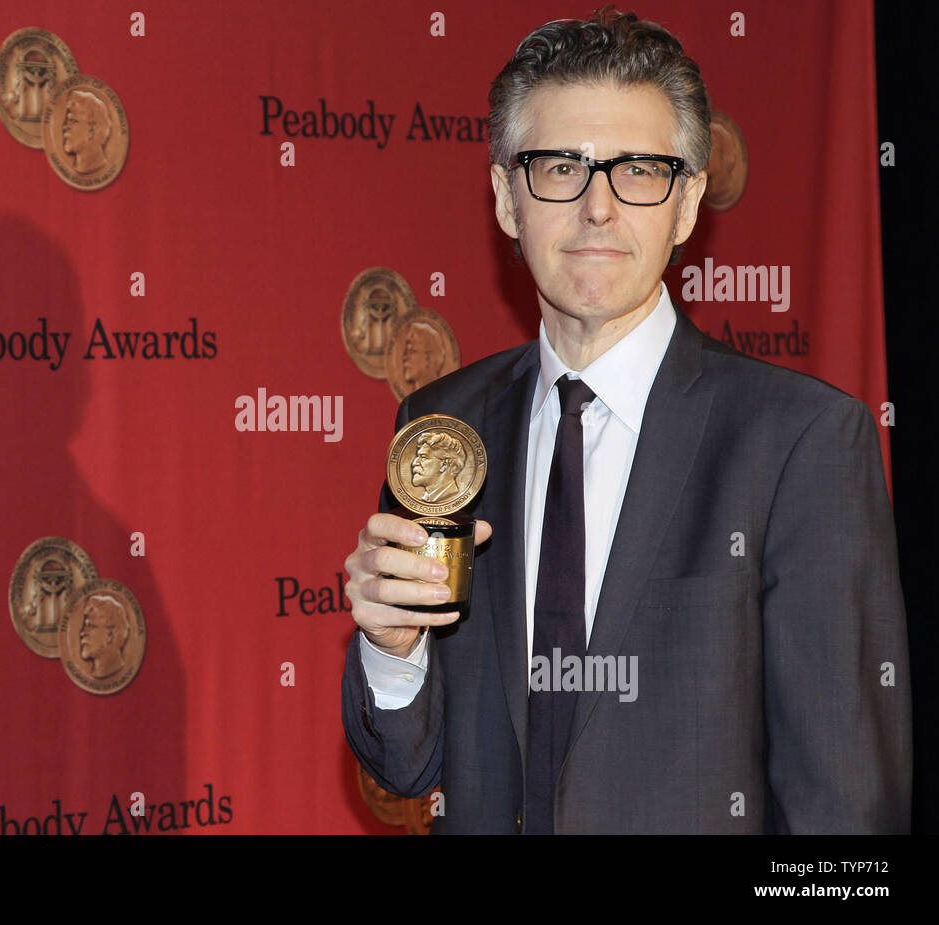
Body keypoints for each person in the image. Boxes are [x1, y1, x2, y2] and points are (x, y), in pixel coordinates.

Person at [341, 9, 910, 834]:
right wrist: (394, 655)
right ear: (507, 199)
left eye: (638, 170)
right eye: (559, 168)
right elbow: (405, 766)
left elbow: (845, 811)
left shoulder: (802, 443)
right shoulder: (441, 428)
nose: (598, 208)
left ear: (684, 207)